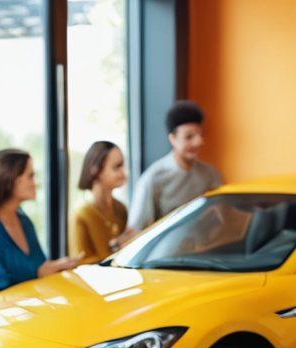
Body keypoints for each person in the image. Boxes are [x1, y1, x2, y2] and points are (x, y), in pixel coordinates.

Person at [0, 149, 79, 302]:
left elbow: (40, 267)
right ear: (10, 179)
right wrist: (38, 273)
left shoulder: (24, 222)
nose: (35, 183)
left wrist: (56, 267)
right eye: (31, 176)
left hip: (32, 309)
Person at [127, 100, 221, 231]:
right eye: (189, 137)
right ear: (172, 139)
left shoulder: (210, 174)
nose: (198, 142)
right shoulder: (153, 178)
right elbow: (136, 229)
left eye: (200, 135)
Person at [69, 140, 134, 263]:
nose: (123, 172)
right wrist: (117, 247)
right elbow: (80, 264)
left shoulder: (121, 208)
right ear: (96, 171)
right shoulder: (81, 215)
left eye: (123, 166)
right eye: (117, 167)